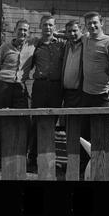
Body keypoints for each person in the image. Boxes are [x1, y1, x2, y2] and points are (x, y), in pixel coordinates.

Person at [0, 19, 34, 162]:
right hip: (2, 86)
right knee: (2, 121)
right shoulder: (4, 47)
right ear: (15, 31)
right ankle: (1, 156)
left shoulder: (32, 46)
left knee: (24, 121)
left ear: (29, 33)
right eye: (20, 29)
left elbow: (49, 35)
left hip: (20, 86)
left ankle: (21, 155)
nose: (22, 32)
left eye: (25, 30)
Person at [27, 15, 66, 169]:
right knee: (36, 121)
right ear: (40, 26)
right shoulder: (34, 45)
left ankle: (48, 158)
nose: (47, 28)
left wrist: (59, 34)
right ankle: (33, 158)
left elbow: (77, 35)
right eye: (45, 25)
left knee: (52, 123)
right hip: (40, 87)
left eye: (50, 25)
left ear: (54, 27)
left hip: (57, 88)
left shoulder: (62, 45)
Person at [80, 11, 109, 141]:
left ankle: (103, 161)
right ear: (86, 26)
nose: (92, 26)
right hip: (86, 93)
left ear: (101, 23)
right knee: (85, 132)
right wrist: (57, 34)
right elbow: (72, 34)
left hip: (103, 94)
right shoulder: (85, 38)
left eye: (95, 22)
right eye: (89, 23)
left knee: (101, 131)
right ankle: (85, 161)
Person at [61, 20, 84, 107]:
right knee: (67, 119)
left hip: (80, 92)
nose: (72, 34)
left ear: (81, 30)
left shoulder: (86, 44)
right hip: (66, 93)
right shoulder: (67, 45)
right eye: (69, 31)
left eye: (75, 31)